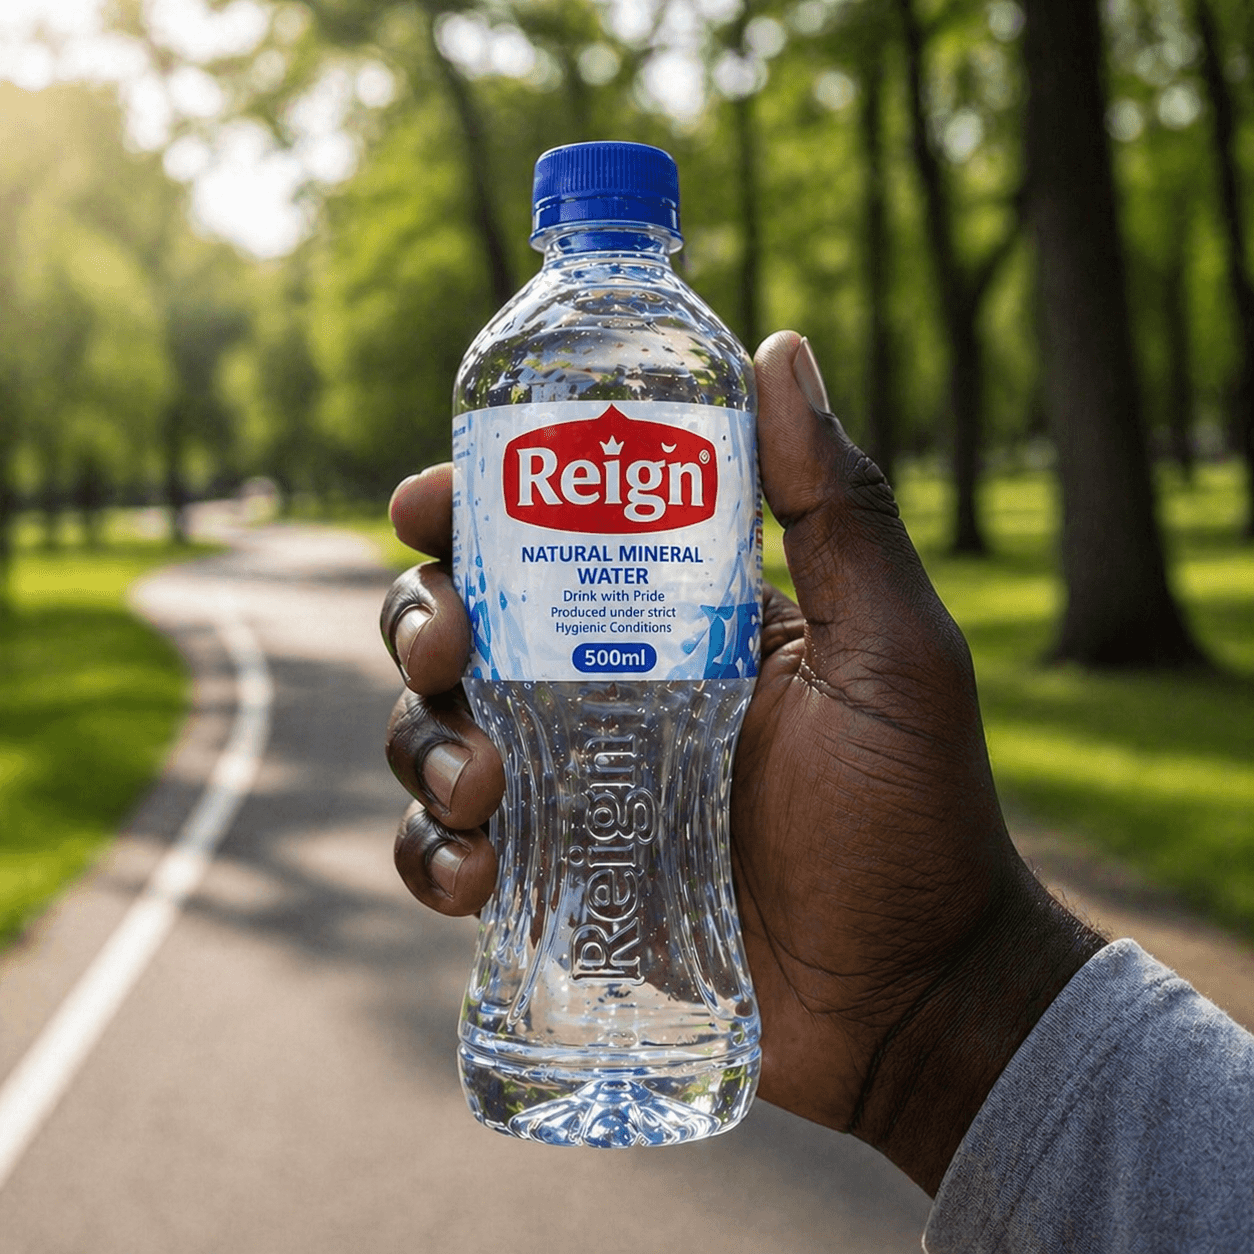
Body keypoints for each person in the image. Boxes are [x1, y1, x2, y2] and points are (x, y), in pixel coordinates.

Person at [380, 330, 1254, 1251]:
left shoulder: (663, 364)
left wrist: (946, 990)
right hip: (556, 1028)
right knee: (470, 722)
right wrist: (953, 1010)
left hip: (718, 1011)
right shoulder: (519, 367)